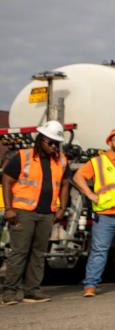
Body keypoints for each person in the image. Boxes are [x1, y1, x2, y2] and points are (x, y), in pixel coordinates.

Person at [1, 120, 69, 305]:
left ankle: (32, 291)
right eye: (50, 142)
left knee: (38, 253)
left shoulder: (61, 160)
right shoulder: (23, 156)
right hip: (23, 212)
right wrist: (8, 209)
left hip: (47, 213)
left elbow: (65, 183)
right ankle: (9, 291)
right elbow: (6, 180)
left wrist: (61, 207)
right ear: (41, 139)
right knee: (19, 252)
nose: (54, 146)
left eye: (57, 143)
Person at [74, 127, 115, 296]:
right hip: (105, 215)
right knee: (99, 251)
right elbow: (78, 176)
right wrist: (90, 194)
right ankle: (90, 285)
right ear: (109, 142)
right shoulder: (98, 161)